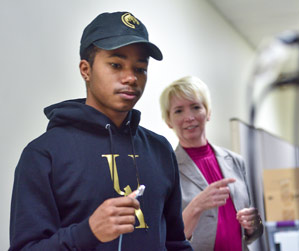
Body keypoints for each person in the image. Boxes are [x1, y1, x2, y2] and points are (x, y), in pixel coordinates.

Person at [9, 11, 192, 251]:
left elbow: (176, 242)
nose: (130, 78)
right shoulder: (43, 154)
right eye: (116, 65)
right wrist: (88, 232)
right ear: (86, 69)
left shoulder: (159, 149)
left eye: (140, 69)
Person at [159, 76, 263, 251]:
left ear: (208, 112)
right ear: (168, 121)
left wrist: (254, 225)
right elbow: (167, 238)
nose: (189, 117)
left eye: (196, 107)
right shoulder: (166, 169)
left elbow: (252, 232)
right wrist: (197, 205)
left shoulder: (236, 161)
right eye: (178, 111)